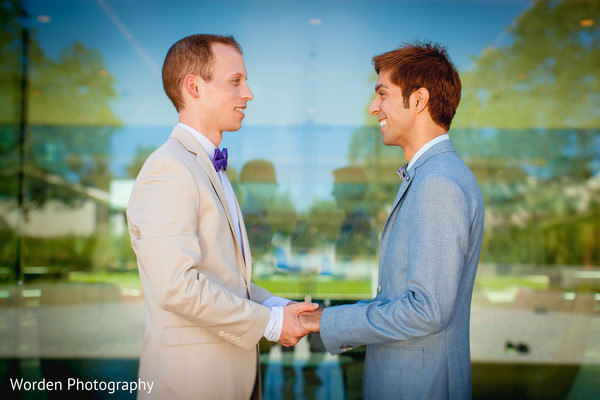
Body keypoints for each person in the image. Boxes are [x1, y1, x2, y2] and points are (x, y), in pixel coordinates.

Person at [126, 34, 316, 400]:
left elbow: (222, 279)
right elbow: (177, 286)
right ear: (193, 86)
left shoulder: (205, 167)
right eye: (236, 81)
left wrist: (277, 306)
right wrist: (272, 324)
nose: (249, 93)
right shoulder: (168, 169)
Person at [300, 41, 485, 399]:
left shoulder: (438, 182)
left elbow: (426, 310)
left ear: (418, 100)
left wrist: (325, 321)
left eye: (382, 94)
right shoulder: (432, 175)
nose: (373, 108)